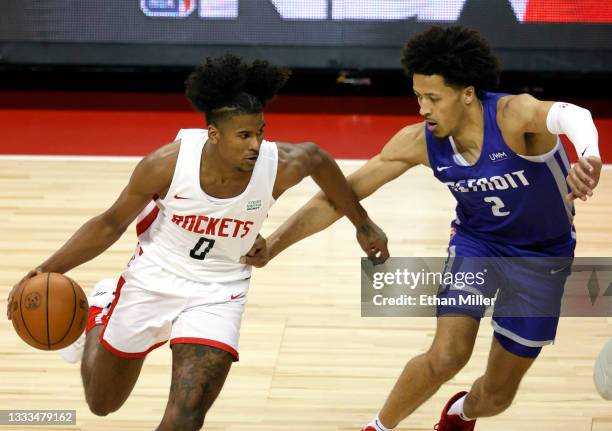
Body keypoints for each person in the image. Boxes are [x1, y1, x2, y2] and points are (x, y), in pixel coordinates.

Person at [244, 26, 603, 430]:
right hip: (477, 245)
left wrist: (588, 156)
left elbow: (575, 116)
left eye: (433, 98)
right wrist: (273, 245)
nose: (423, 109)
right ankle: (378, 427)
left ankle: (461, 412)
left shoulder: (512, 116)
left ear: (467, 92)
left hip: (543, 256)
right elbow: (337, 197)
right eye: (418, 96)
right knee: (447, 355)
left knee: (498, 397)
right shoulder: (418, 141)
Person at [6, 54, 389, 431]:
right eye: (244, 135)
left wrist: (363, 223)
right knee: (103, 403)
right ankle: (101, 310)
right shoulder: (166, 165)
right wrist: (49, 268)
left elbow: (319, 160)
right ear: (214, 134)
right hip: (153, 278)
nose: (256, 144)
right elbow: (110, 224)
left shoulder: (278, 164)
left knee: (187, 416)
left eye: (260, 132)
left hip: (220, 289)